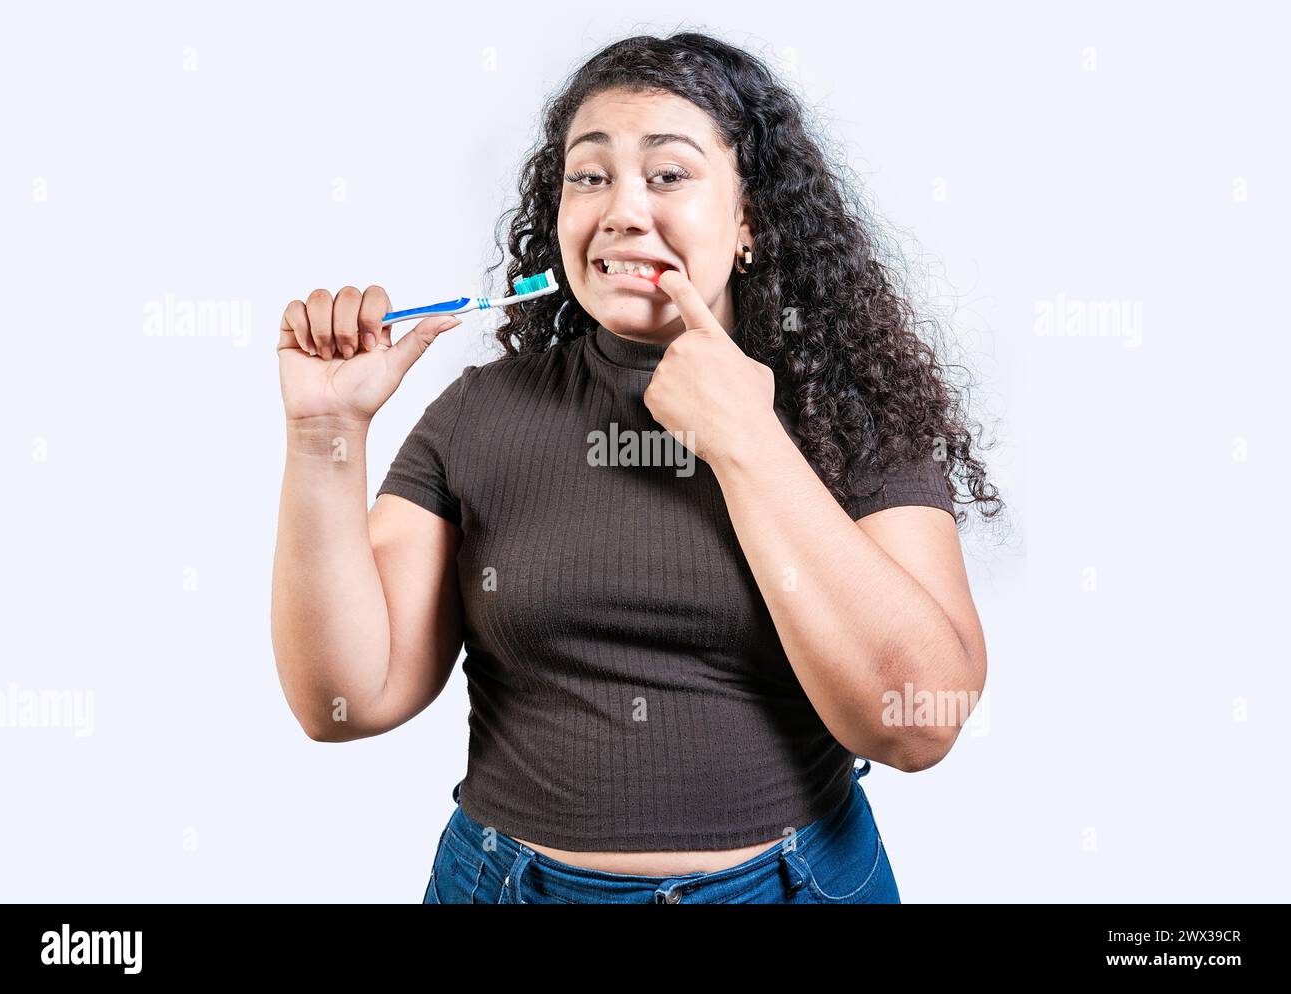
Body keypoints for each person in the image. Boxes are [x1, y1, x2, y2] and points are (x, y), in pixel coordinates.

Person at [272, 31, 1000, 904]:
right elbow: (345, 700)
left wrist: (749, 442)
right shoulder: (478, 414)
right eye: (590, 175)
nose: (621, 209)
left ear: (748, 220)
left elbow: (918, 726)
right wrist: (325, 437)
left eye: (668, 174)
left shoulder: (847, 417)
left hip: (795, 885)